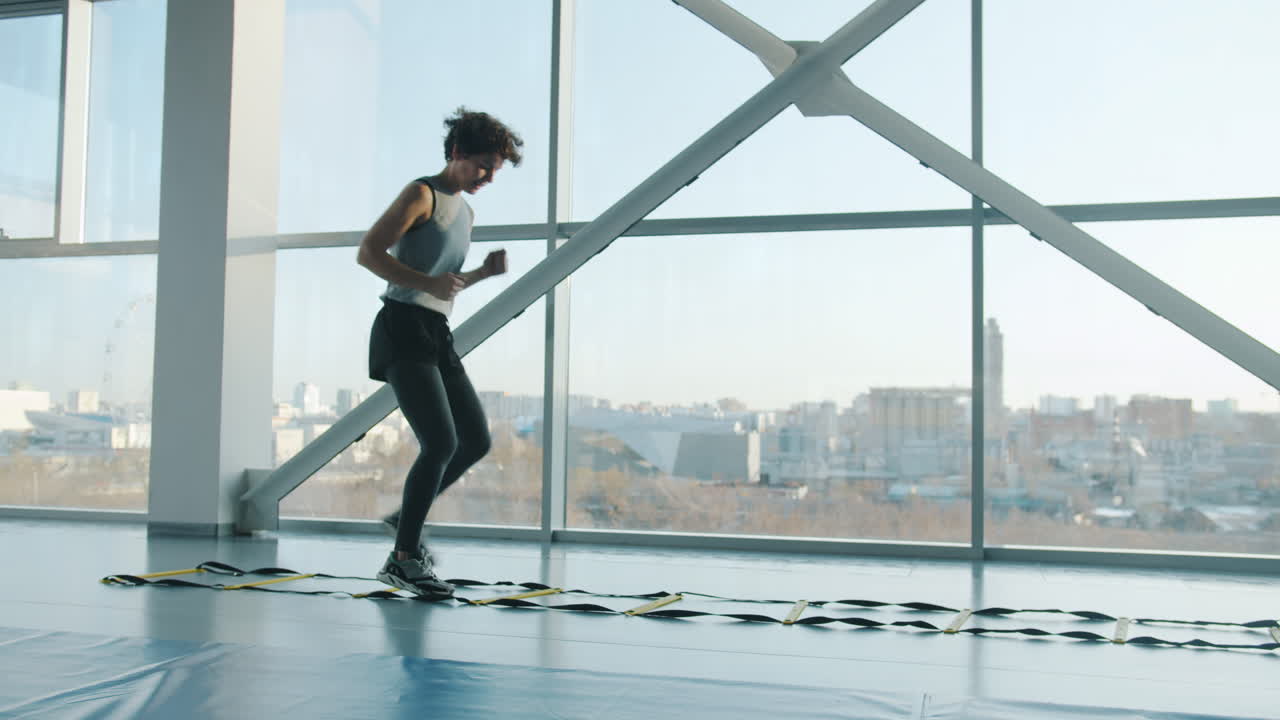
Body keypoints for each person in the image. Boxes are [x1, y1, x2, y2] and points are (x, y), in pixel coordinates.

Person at [357, 107, 523, 597]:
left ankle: (403, 522)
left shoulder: (467, 212)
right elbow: (369, 253)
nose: (489, 177)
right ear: (457, 153)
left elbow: (441, 288)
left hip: (435, 330)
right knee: (441, 444)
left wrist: (481, 276)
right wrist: (429, 282)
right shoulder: (421, 194)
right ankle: (403, 559)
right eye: (483, 166)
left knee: (474, 440)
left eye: (495, 169)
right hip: (401, 329)